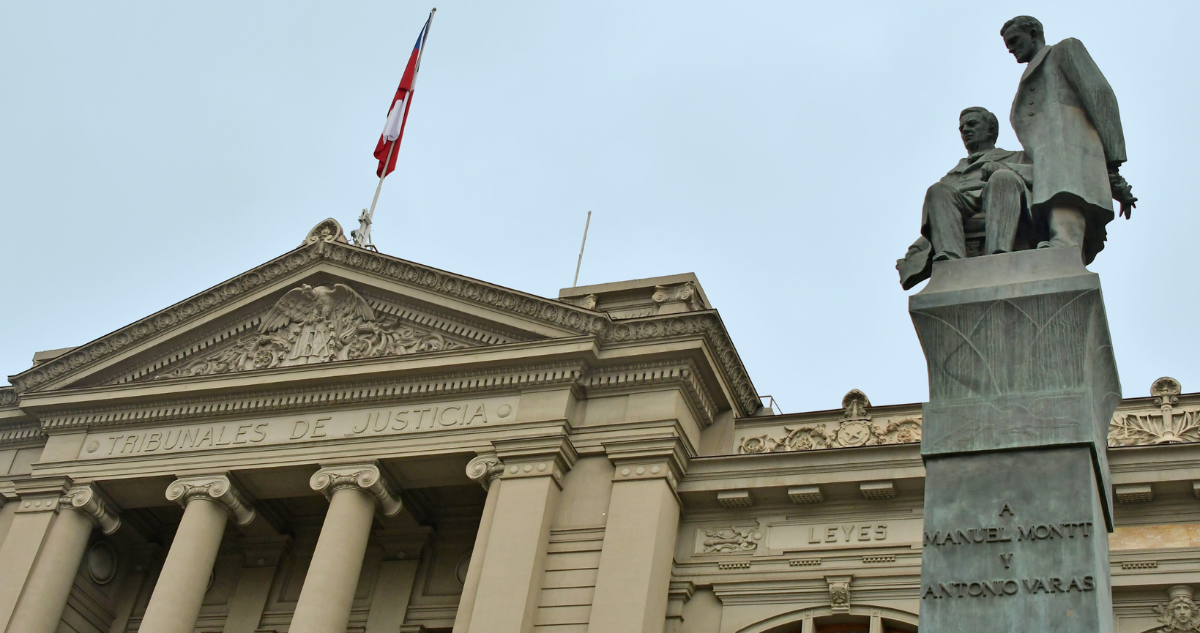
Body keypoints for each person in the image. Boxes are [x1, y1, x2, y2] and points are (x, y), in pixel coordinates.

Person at [1002, 15, 1136, 264]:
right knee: (1054, 190)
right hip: (1044, 155)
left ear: (1033, 34)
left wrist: (1112, 158)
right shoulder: (1029, 76)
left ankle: (1065, 243)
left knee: (1067, 191)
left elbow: (1099, 95)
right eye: (1007, 44)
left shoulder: (1065, 50)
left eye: (1014, 40)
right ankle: (1056, 241)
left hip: (1070, 145)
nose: (1010, 49)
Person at [896, 107, 1032, 289]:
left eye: (972, 124)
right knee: (937, 190)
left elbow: (1042, 178)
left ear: (991, 129)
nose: (965, 130)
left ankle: (998, 256)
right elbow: (940, 214)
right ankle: (951, 264)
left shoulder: (1016, 157)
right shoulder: (954, 174)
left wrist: (1006, 168)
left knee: (1002, 178)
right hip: (964, 210)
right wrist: (917, 249)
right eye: (962, 128)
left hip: (1002, 204)